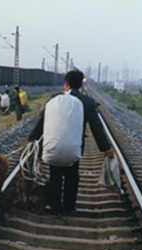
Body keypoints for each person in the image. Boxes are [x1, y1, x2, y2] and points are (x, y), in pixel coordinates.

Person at [28, 69, 115, 216]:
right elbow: (96, 127)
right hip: (75, 147)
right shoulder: (88, 102)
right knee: (72, 176)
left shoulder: (54, 98)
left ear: (66, 84)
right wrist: (106, 148)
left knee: (55, 176)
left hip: (53, 144)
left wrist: (33, 138)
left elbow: (43, 120)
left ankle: (55, 207)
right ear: (81, 84)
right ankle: (69, 207)